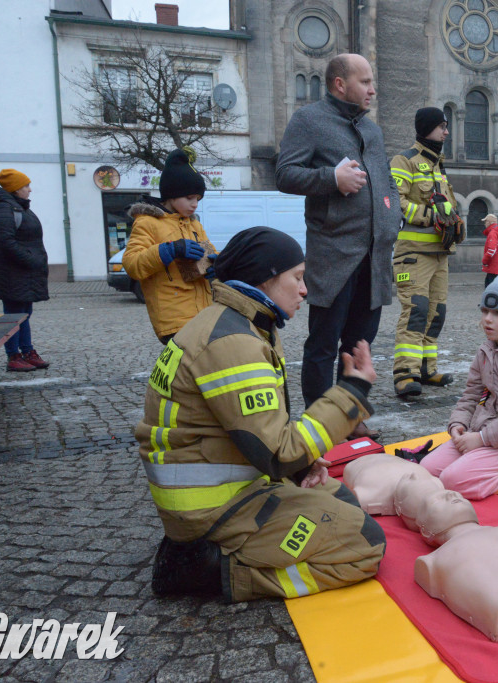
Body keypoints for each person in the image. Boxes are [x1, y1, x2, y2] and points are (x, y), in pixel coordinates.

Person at [135, 226, 386, 602]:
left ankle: (221, 553)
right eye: (297, 278)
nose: (305, 290)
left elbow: (253, 430)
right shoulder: (233, 341)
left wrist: (299, 467)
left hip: (229, 488)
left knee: (342, 498)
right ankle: (210, 570)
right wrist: (352, 393)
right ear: (267, 278)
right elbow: (278, 451)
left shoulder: (238, 323)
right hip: (213, 509)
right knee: (365, 543)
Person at [275, 53, 398, 440]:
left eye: (372, 81)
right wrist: (332, 178)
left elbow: (387, 183)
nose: (372, 89)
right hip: (334, 254)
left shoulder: (373, 131)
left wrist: (394, 220)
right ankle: (318, 425)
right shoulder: (309, 120)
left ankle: (349, 417)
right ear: (339, 84)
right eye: (364, 82)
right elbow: (285, 174)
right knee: (323, 346)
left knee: (361, 343)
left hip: (375, 257)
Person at [420, 270, 498, 500]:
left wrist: (482, 439)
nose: (487, 318)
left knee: (452, 480)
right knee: (427, 470)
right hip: (481, 433)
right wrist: (458, 423)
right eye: (485, 311)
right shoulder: (485, 350)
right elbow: (472, 395)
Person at [389, 107, 464, 398]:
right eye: (441, 127)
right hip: (413, 253)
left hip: (439, 252)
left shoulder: (437, 166)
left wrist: (455, 223)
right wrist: (431, 217)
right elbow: (396, 202)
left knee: (436, 313)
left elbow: (448, 207)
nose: (446, 132)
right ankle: (404, 374)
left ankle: (425, 369)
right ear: (426, 128)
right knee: (416, 311)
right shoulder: (404, 161)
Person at [123, 149, 215, 344]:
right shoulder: (147, 223)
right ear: (172, 195)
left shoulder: (195, 225)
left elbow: (211, 254)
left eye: (198, 199)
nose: (195, 204)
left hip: (204, 314)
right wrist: (170, 249)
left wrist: (216, 263)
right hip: (174, 320)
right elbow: (132, 264)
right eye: (189, 197)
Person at [0, 169, 50, 372]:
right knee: (13, 316)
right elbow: (6, 242)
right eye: (26, 186)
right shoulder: (3, 209)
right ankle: (14, 356)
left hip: (23, 272)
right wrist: (30, 260)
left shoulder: (18, 207)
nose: (30, 189)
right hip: (11, 272)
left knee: (24, 314)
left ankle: (27, 352)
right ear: (15, 189)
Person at [481, 213, 498, 288]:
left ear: (489, 222)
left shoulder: (493, 233)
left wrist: (485, 260)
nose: (484, 224)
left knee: (489, 288)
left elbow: (492, 249)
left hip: (493, 266)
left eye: (485, 221)